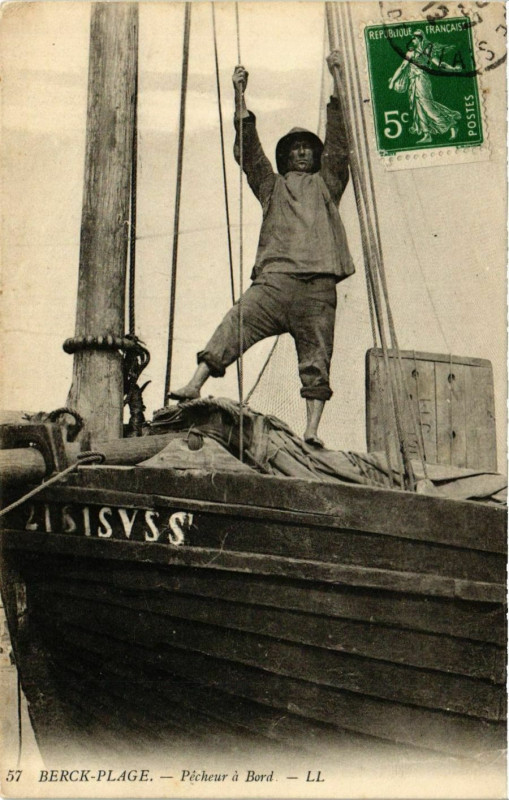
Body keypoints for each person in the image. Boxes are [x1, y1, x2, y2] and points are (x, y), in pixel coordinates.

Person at [168, 51, 355, 447]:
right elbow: (249, 152)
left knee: (317, 361)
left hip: (317, 287)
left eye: (308, 148)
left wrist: (338, 79)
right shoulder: (270, 187)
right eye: (295, 148)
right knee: (234, 323)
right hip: (273, 284)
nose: (302, 152)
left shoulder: (328, 185)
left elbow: (340, 142)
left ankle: (312, 430)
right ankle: (194, 384)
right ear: (285, 155)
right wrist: (240, 98)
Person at [389, 31, 462, 144]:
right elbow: (402, 67)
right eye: (412, 38)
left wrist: (452, 68)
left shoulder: (427, 51)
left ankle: (451, 124)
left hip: (422, 80)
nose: (412, 40)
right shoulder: (410, 53)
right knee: (418, 107)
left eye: (414, 38)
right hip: (413, 81)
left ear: (420, 39)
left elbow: (439, 64)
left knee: (427, 106)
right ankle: (427, 134)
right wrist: (393, 81)